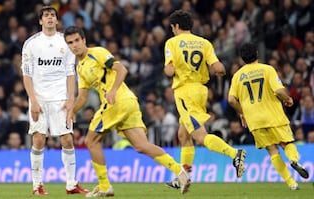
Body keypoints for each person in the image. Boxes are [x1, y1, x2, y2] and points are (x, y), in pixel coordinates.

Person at [63, 26, 190, 197]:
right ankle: (180, 171)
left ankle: (104, 185)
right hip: (127, 103)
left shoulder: (97, 53)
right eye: (70, 42)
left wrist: (114, 89)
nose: (74, 45)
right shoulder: (80, 67)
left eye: (77, 40)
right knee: (142, 146)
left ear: (84, 40)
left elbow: (121, 69)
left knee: (91, 140)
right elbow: (82, 97)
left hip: (118, 101)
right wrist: (71, 111)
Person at [163, 10, 246, 188]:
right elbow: (219, 68)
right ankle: (183, 177)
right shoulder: (204, 43)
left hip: (185, 92)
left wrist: (171, 70)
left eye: (172, 28)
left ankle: (235, 154)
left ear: (176, 26)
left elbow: (169, 70)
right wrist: (219, 71)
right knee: (183, 135)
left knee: (200, 136)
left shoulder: (172, 42)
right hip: (201, 90)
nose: (173, 31)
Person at [21, 6, 88, 195]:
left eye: (52, 15)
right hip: (39, 98)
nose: (50, 18)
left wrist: (70, 100)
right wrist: (33, 100)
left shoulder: (64, 42)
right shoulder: (31, 44)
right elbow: (27, 74)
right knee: (39, 139)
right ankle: (37, 186)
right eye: (46, 16)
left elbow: (70, 72)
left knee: (67, 139)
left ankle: (71, 184)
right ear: (40, 21)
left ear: (57, 21)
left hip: (60, 98)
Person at [228, 42, 309, 190]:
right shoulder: (267, 70)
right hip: (273, 115)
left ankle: (291, 183)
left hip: (254, 121)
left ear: (242, 58)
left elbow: (231, 100)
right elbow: (278, 91)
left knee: (272, 150)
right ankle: (294, 160)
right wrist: (288, 99)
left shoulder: (237, 76)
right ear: (257, 54)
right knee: (287, 143)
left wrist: (242, 113)